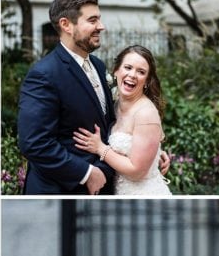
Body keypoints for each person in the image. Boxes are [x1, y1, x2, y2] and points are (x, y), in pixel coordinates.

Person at [18, 0, 116, 195]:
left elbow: (110, 125)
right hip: (60, 193)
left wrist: (147, 152)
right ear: (66, 25)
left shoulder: (98, 65)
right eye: (92, 20)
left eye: (99, 18)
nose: (101, 26)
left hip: (103, 187)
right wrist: (87, 173)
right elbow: (34, 143)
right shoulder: (44, 74)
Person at [73, 45, 171, 198]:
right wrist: (155, 152)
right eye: (128, 67)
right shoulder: (114, 102)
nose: (132, 75)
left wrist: (100, 148)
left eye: (141, 72)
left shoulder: (145, 113)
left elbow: (137, 171)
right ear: (116, 71)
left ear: (147, 81)